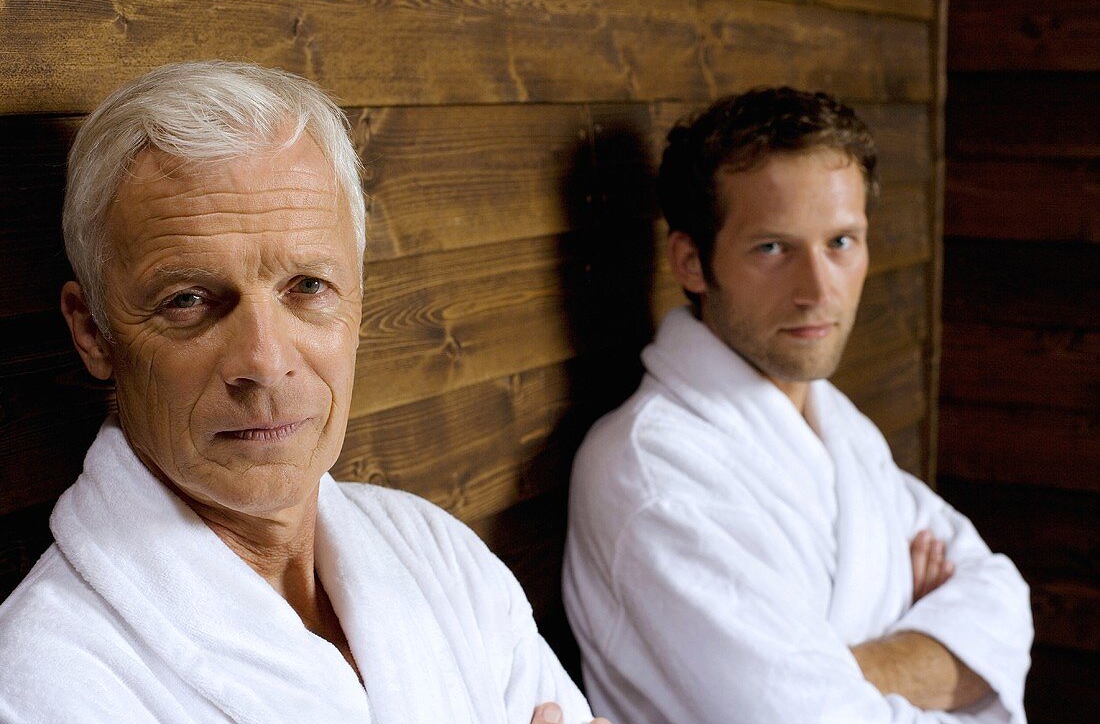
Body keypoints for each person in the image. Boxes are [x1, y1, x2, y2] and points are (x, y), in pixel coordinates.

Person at [0, 60, 602, 724]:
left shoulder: (435, 553)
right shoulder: (45, 682)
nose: (264, 361)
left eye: (308, 287)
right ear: (93, 333)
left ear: (359, 303)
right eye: (189, 300)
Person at [562, 87, 1033, 723]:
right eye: (773, 248)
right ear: (692, 262)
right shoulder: (650, 473)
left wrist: (838, 664)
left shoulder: (837, 427)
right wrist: (921, 636)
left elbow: (1002, 601)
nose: (818, 290)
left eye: (841, 242)